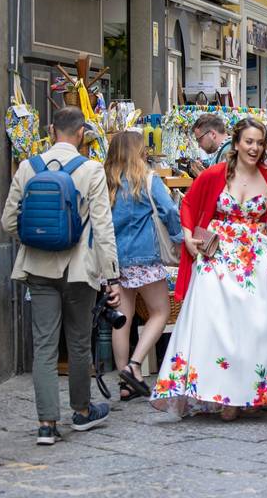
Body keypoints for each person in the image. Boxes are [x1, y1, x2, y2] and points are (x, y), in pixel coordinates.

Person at [151, 118, 267, 420]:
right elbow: (187, 207)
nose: (254, 148)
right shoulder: (214, 175)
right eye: (249, 141)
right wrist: (187, 237)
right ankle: (217, 390)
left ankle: (241, 395)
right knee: (214, 325)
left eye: (260, 142)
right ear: (236, 143)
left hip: (255, 262)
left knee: (254, 327)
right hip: (217, 258)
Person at [1, 107, 119, 445]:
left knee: (44, 346)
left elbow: (9, 222)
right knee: (80, 342)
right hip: (79, 270)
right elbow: (102, 227)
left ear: (51, 129)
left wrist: (38, 236)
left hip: (38, 268)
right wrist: (111, 275)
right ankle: (81, 413)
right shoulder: (92, 170)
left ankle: (47, 424)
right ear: (81, 133)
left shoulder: (28, 167)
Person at [103, 132, 183, 401]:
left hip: (115, 261)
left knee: (121, 321)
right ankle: (134, 365)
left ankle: (125, 383)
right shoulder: (148, 178)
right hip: (145, 257)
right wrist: (179, 239)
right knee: (160, 312)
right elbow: (170, 211)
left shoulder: (106, 182)